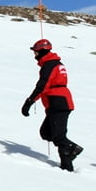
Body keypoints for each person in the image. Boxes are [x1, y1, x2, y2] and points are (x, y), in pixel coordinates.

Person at [21, 38, 82, 171]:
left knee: (58, 136)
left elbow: (42, 86)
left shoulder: (49, 65)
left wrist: (29, 101)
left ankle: (68, 163)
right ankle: (69, 152)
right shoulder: (55, 63)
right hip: (59, 102)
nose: (34, 55)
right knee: (47, 132)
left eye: (36, 52)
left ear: (42, 51)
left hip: (58, 102)